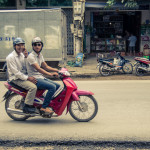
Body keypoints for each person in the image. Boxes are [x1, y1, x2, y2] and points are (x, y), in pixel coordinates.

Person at [26, 37, 60, 114]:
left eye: (39, 44)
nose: (37, 46)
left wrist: (58, 70)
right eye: (35, 45)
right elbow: (39, 69)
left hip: (40, 77)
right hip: (35, 79)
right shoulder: (31, 56)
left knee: (57, 86)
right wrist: (51, 74)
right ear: (32, 46)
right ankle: (44, 107)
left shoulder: (40, 55)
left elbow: (46, 66)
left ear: (41, 46)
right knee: (52, 87)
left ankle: (46, 101)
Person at [6, 37, 37, 114]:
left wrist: (26, 56)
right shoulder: (10, 57)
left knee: (40, 82)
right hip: (16, 79)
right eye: (18, 45)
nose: (21, 47)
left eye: (22, 45)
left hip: (23, 76)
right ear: (14, 46)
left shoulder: (22, 55)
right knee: (33, 87)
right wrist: (28, 78)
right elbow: (16, 73)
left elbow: (26, 67)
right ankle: (27, 106)